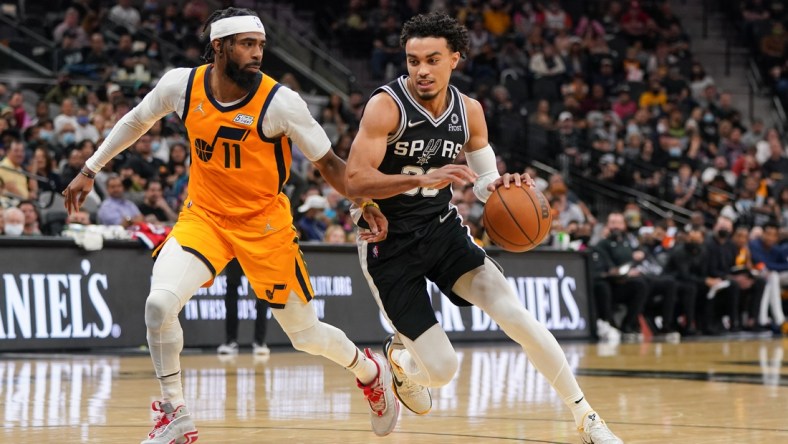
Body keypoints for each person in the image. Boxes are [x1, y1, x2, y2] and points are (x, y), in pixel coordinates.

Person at [63, 8, 398, 444]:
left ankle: (371, 373)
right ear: (219, 46)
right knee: (159, 306)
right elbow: (135, 120)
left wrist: (362, 201)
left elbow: (330, 164)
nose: (257, 54)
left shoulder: (281, 103)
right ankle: (176, 413)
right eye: (246, 44)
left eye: (260, 45)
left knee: (305, 335)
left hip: (264, 225)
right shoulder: (181, 85)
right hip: (204, 217)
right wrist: (90, 168)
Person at [345, 12, 622, 444]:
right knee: (441, 371)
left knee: (519, 318)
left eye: (432, 59)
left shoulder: (469, 111)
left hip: (443, 232)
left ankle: (585, 417)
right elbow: (354, 179)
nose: (420, 70)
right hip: (389, 245)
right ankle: (398, 361)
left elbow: (485, 180)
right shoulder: (386, 106)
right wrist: (419, 179)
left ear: (454, 58)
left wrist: (504, 185)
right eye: (412, 60)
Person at [216, 258, 270, 356]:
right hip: (238, 247)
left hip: (256, 248)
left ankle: (259, 341)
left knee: (262, 288)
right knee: (232, 287)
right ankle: (231, 341)